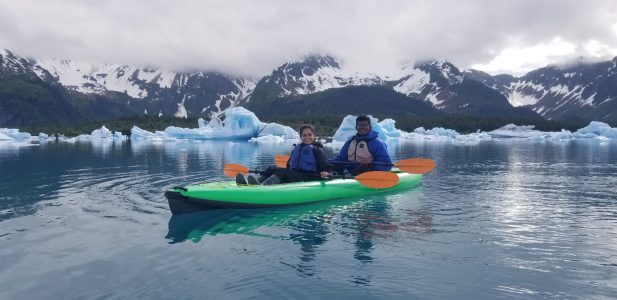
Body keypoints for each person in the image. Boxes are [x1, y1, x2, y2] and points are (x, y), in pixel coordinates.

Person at [236, 124, 332, 185]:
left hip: (309, 176)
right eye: (304, 135)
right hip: (295, 174)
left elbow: (327, 168)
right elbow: (288, 165)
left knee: (283, 172)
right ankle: (255, 183)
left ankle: (263, 187)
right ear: (301, 136)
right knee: (272, 169)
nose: (307, 137)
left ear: (314, 136)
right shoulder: (297, 148)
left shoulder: (317, 149)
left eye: (310, 135)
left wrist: (326, 174)